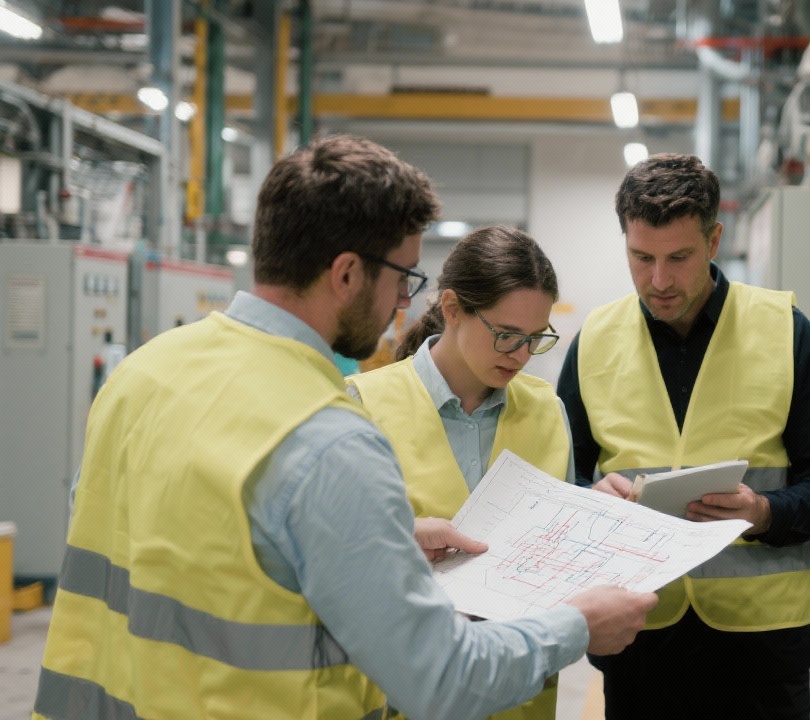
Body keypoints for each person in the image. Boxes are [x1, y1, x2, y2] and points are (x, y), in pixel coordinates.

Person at [34, 134, 656, 720]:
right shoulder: (326, 434)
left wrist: (367, 541)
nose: (402, 304)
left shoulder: (144, 372)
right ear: (347, 274)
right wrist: (577, 624)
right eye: (404, 278)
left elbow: (181, 553)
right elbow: (440, 677)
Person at [556, 153, 810, 720]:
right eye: (641, 258)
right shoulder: (594, 340)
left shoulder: (786, 333)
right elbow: (559, 484)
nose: (660, 280)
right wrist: (587, 499)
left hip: (761, 647)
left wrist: (763, 511)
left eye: (679, 257)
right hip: (640, 638)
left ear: (714, 240)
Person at [346, 225, 569, 720]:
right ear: (452, 310)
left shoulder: (548, 412)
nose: (521, 355)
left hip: (522, 699)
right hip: (408, 695)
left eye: (536, 338)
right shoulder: (365, 405)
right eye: (507, 335)